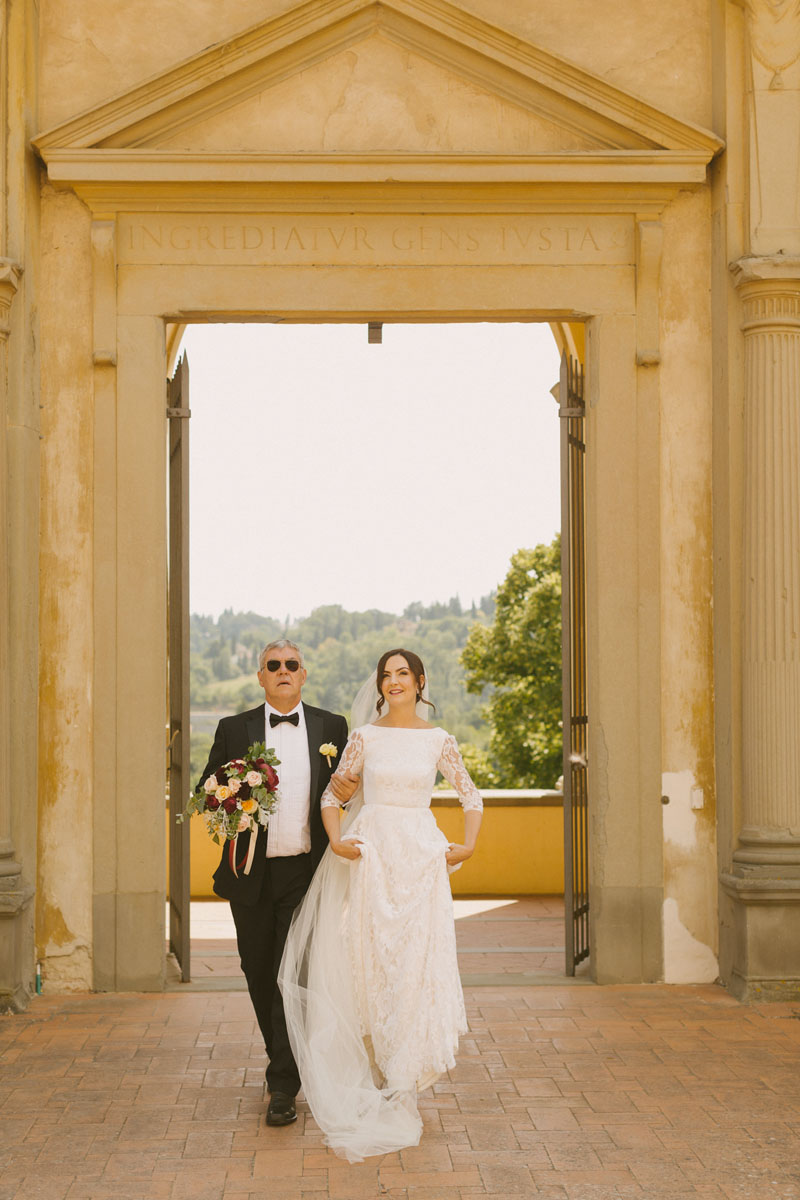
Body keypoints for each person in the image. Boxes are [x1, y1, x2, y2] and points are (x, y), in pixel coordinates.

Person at [279, 648, 483, 1162]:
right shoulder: (365, 737)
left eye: (402, 675)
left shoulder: (439, 740)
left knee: (415, 962)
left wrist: (468, 845)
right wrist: (338, 841)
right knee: (372, 958)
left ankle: (404, 1073)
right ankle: (378, 1068)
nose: (393, 682)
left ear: (419, 681)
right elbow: (332, 797)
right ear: (380, 685)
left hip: (419, 858)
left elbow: (471, 797)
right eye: (386, 676)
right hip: (372, 857)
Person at [197, 638, 350, 1127]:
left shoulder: (332, 727)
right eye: (273, 665)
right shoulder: (232, 728)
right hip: (250, 872)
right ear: (261, 677)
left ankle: (283, 1083)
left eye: (292, 665)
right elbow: (206, 790)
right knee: (258, 970)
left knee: (293, 975)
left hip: (306, 873)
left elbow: (347, 794)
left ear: (304, 675)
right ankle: (282, 1059)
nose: (283, 671)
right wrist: (231, 796)